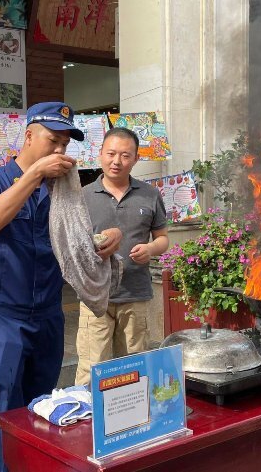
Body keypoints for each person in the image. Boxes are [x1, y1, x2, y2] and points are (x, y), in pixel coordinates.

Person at [0, 102, 121, 471]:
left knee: (42, 403)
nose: (59, 152)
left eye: (65, 145)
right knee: (3, 402)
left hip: (49, 313)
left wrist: (104, 244)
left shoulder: (66, 191)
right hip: (5, 314)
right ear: (28, 136)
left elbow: (78, 246)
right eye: (52, 142)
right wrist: (35, 173)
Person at [74, 127, 169, 386]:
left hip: (136, 294)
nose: (117, 161)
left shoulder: (150, 195)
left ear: (136, 158)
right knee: (92, 366)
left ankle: (133, 419)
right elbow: (74, 246)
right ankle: (87, 421)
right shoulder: (82, 196)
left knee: (134, 365)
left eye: (125, 155)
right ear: (100, 155)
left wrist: (150, 249)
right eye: (111, 154)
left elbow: (162, 238)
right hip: (96, 297)